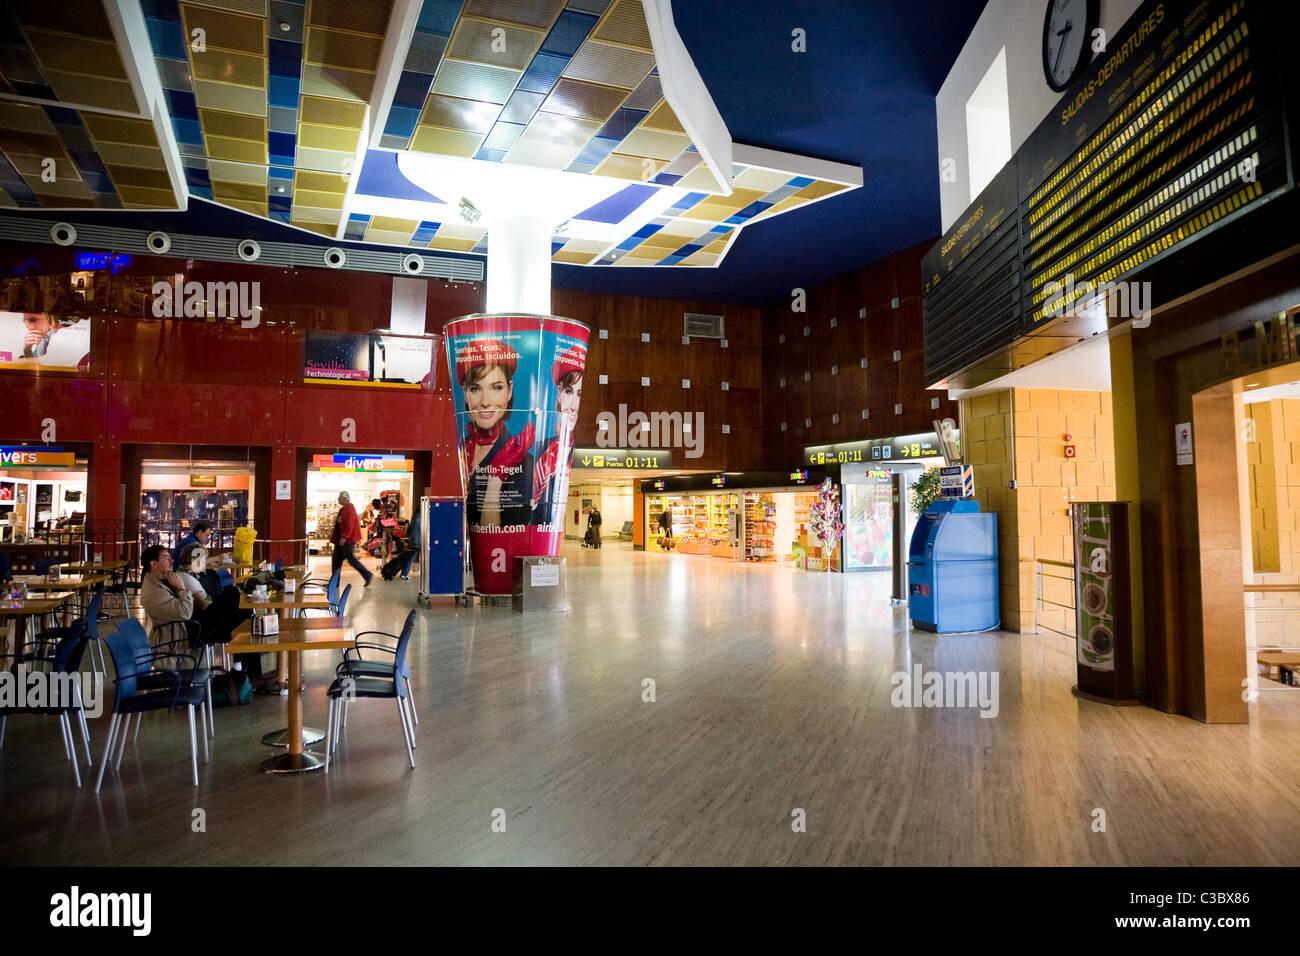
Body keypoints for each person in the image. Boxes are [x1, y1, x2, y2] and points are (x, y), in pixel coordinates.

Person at [457, 339, 534, 529]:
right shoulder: (460, 448)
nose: (485, 401)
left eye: (496, 387)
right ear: (465, 393)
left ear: (509, 391)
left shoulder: (524, 462)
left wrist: (495, 479)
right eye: (475, 388)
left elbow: (499, 536)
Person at [139, 544, 251, 651]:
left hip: (190, 625)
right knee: (232, 594)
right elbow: (185, 613)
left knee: (245, 626)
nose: (172, 560)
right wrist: (181, 588)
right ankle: (236, 637)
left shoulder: (162, 580)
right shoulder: (155, 592)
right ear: (154, 564)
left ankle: (240, 650)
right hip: (186, 633)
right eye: (166, 558)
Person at [531, 355, 583, 525]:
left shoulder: (572, 449)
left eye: (579, 394)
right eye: (569, 391)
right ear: (559, 394)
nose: (574, 405)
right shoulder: (540, 448)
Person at [330, 491, 373, 586]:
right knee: (337, 561)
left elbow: (349, 525)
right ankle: (334, 583)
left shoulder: (349, 509)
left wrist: (344, 537)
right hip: (342, 539)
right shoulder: (346, 509)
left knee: (349, 560)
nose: (338, 499)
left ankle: (367, 574)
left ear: (345, 499)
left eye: (340, 497)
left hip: (347, 540)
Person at [397, 507, 420, 580]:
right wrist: (415, 542)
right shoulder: (418, 519)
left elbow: (410, 531)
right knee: (411, 558)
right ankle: (404, 574)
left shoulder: (415, 518)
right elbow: (415, 532)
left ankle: (404, 573)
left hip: (414, 541)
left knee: (410, 557)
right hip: (415, 541)